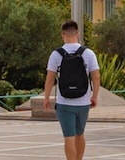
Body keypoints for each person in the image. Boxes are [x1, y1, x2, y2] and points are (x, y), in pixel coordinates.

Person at [42, 20, 101, 160]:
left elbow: (50, 79)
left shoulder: (56, 55)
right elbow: (96, 77)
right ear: (78, 34)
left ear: (63, 35)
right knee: (80, 134)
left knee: (69, 136)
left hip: (64, 103)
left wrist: (46, 98)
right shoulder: (88, 53)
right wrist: (94, 96)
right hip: (83, 102)